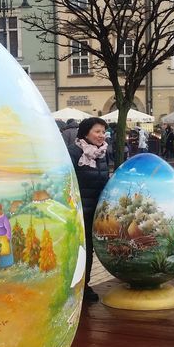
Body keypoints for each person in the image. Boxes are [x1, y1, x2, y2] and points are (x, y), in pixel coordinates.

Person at [67, 117, 110, 303]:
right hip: (77, 211)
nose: (101, 135)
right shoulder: (74, 152)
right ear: (86, 132)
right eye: (97, 131)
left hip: (95, 210)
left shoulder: (103, 153)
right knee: (77, 249)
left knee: (89, 249)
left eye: (103, 132)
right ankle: (72, 286)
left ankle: (85, 286)